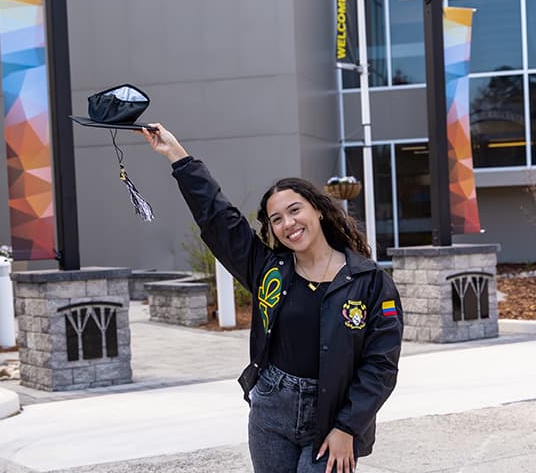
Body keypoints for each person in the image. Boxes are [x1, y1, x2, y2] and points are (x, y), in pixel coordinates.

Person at [141, 123, 403, 473]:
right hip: (271, 411)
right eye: (276, 219)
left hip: (332, 415)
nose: (288, 224)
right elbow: (220, 219)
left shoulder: (369, 281)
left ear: (318, 210)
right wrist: (177, 155)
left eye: (295, 210)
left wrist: (347, 427)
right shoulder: (269, 271)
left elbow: (380, 365)